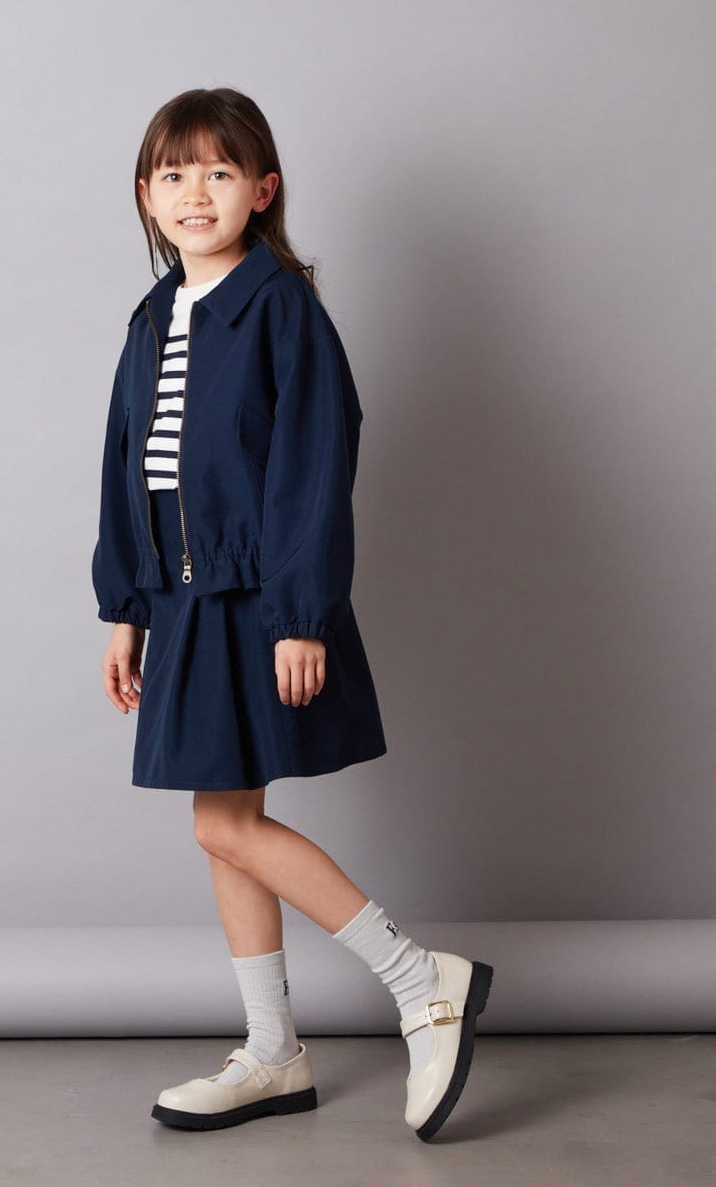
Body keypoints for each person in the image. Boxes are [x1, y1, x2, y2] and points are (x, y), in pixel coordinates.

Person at [92, 86, 493, 1140]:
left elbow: (312, 465)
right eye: (173, 174)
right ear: (145, 195)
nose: (195, 193)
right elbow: (129, 469)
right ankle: (274, 1053)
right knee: (224, 833)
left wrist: (300, 614)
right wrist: (127, 608)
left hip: (254, 598)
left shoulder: (280, 309)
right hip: (181, 602)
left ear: (262, 190)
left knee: (222, 822)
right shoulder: (152, 317)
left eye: (219, 172)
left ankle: (422, 983)